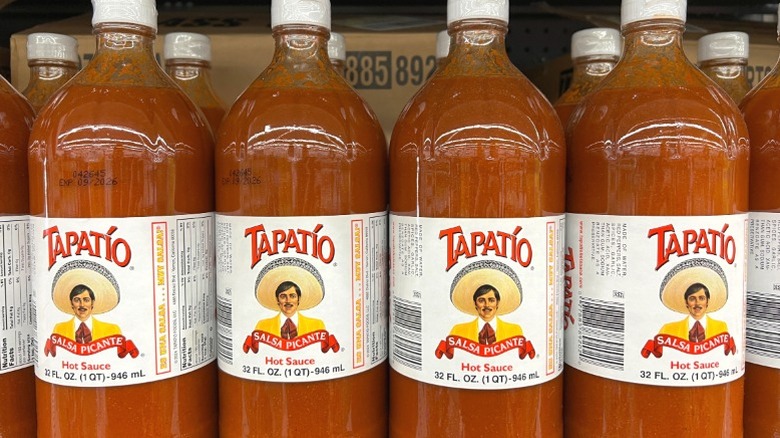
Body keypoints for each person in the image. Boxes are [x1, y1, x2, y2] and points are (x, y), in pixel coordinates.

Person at [449, 284, 523, 344]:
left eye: (491, 300)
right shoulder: (458, 331)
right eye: (481, 300)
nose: (487, 305)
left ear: (497, 303)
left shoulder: (515, 331)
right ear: (475, 304)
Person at [255, 281, 326, 339]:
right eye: (283, 296)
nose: (288, 300)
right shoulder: (262, 326)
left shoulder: (317, 326)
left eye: (292, 296)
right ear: (277, 300)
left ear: (299, 299)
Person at [658, 283, 728, 342]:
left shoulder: (721, 328)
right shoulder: (668, 330)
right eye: (692, 299)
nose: (697, 303)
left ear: (708, 301)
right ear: (686, 302)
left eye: (701, 298)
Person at [52, 284, 122, 343]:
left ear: (92, 303)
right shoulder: (59, 330)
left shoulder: (112, 331)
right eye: (77, 300)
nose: (82, 305)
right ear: (71, 303)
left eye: (86, 300)